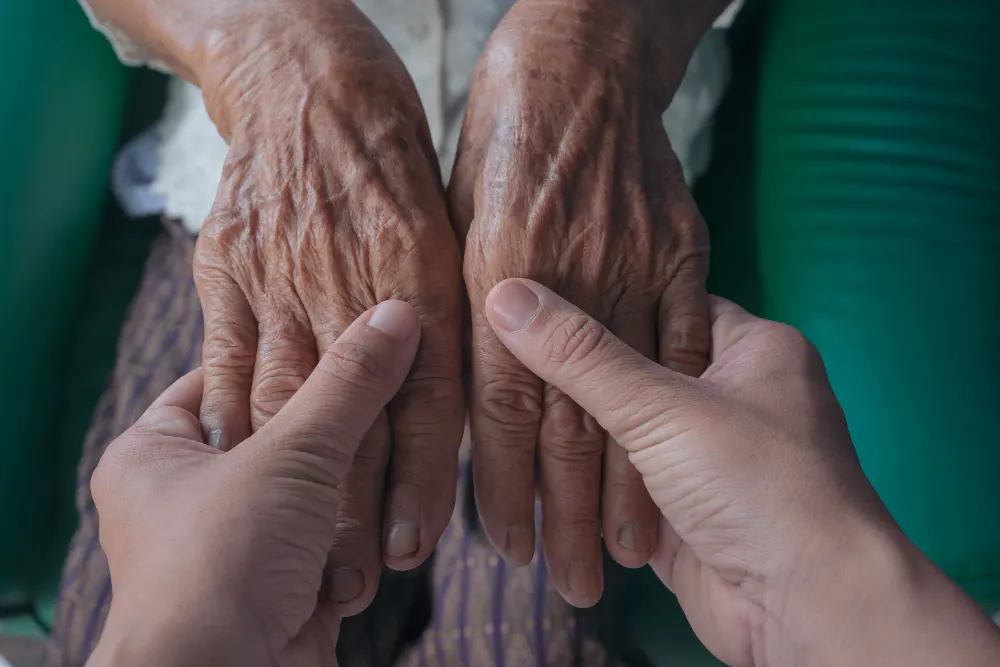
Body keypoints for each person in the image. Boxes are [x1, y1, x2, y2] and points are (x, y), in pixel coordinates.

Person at [51, 1, 740, 664]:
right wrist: (264, 49)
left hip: (592, 206)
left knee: (533, 643)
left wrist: (596, 39)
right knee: (167, 601)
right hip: (263, 198)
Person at [84, 281, 1000, 667]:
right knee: (137, 574)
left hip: (584, 250)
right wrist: (271, 61)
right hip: (239, 196)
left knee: (530, 636)